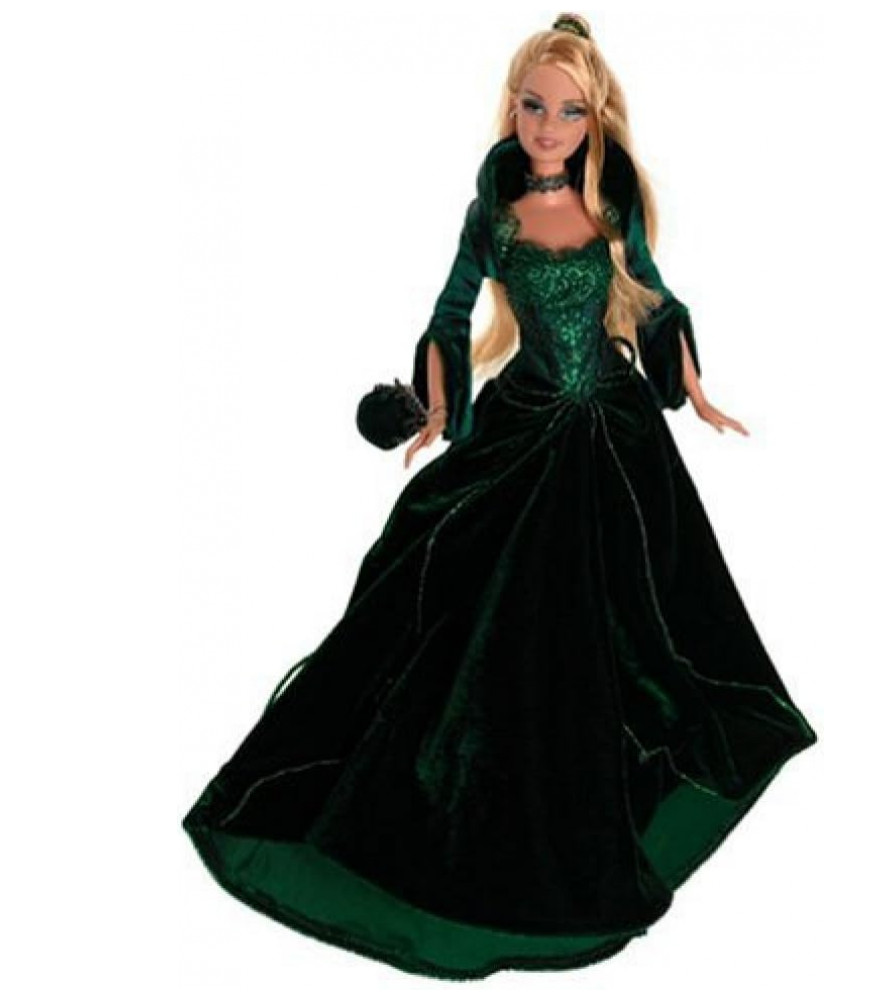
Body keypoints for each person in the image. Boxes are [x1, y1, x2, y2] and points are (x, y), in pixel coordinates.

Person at [182, 12, 819, 981]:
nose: (548, 126)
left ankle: (589, 793)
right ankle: (461, 806)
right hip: (525, 423)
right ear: (511, 108)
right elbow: (450, 311)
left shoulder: (610, 204)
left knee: (630, 627)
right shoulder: (493, 214)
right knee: (472, 613)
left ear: (594, 118)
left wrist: (689, 386)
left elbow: (651, 297)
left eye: (569, 111)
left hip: (613, 440)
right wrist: (435, 407)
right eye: (533, 106)